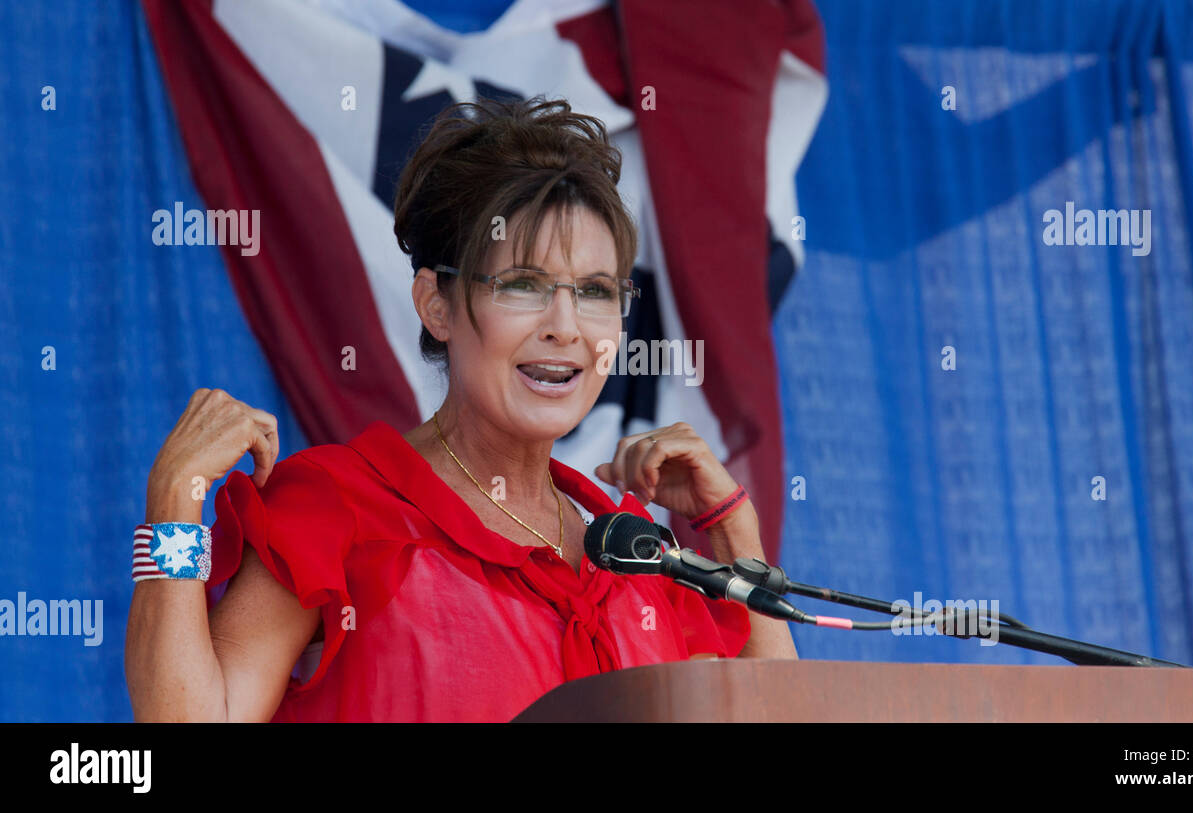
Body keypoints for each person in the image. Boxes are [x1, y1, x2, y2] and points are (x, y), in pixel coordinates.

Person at [124, 96, 798, 722]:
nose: (566, 326)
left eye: (595, 291)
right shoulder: (341, 503)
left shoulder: (635, 548)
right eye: (523, 284)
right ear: (435, 304)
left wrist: (734, 530)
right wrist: (172, 505)